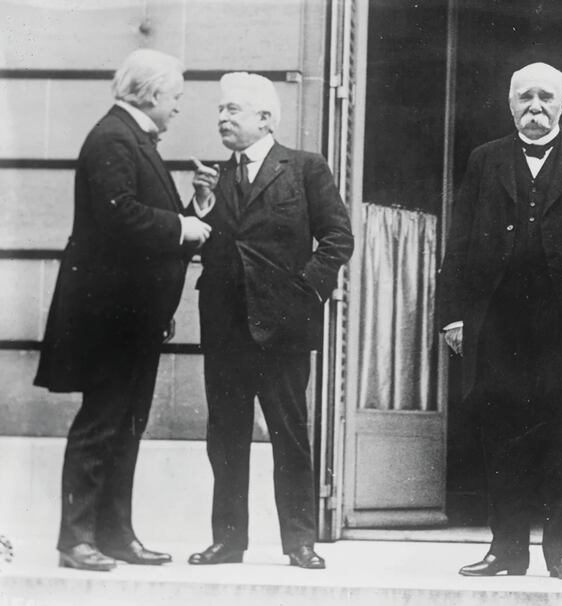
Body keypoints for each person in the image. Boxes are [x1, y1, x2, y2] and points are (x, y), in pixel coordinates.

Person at [438, 62, 562, 581]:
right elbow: (457, 241)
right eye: (524, 98)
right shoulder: (485, 160)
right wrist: (453, 315)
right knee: (502, 436)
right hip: (497, 323)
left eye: (546, 97)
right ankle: (506, 551)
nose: (535, 107)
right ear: (510, 104)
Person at [34, 49, 212, 571]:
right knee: (103, 421)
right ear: (153, 95)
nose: (178, 108)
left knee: (125, 422)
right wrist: (183, 227)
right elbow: (122, 218)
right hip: (110, 316)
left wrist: (195, 208)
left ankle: (113, 534)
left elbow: (141, 223)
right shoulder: (114, 138)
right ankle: (76, 540)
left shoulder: (128, 138)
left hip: (130, 314)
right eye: (176, 97)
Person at [188, 72, 353, 569]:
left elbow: (337, 238)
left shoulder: (304, 169)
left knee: (289, 434)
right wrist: (199, 205)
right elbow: (198, 241)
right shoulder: (213, 177)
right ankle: (228, 540)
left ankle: (299, 542)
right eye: (220, 110)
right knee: (225, 437)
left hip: (282, 328)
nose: (222, 117)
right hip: (226, 329)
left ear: (265, 119)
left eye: (232, 110)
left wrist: (302, 294)